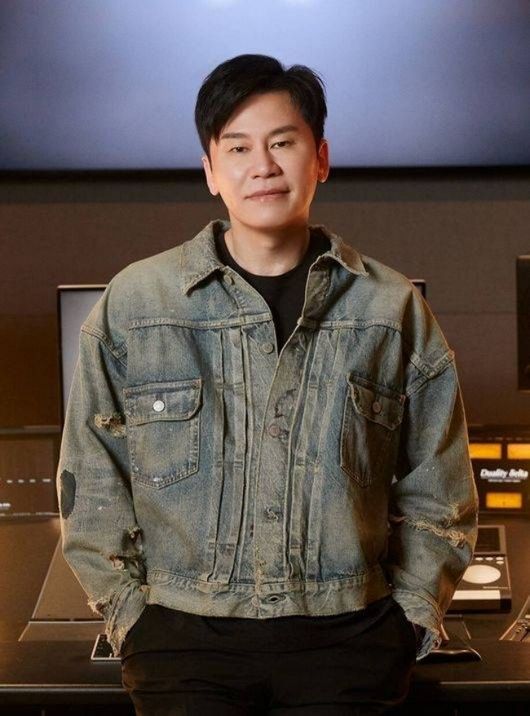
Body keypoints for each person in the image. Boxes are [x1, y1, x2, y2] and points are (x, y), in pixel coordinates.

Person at [56, 54, 479, 715]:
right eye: (238, 148)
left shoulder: (390, 307)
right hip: (182, 645)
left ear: (320, 159)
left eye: (283, 143)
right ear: (210, 170)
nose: (263, 166)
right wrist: (130, 618)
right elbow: (92, 476)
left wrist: (409, 618)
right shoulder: (136, 303)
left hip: (349, 642)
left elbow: (440, 488)